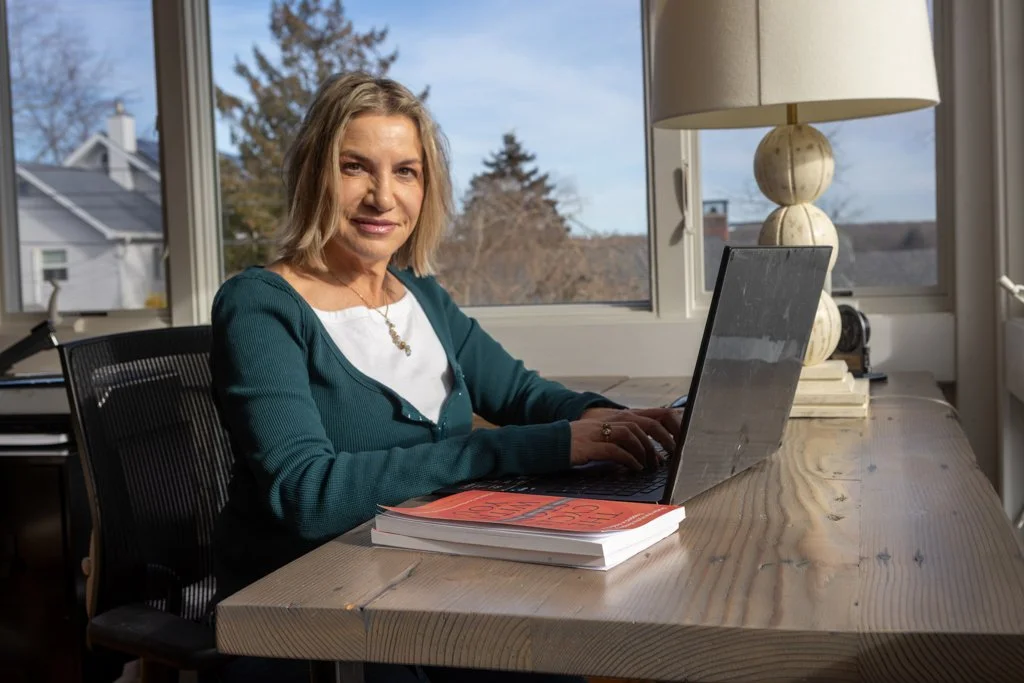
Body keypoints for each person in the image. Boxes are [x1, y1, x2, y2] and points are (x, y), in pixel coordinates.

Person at [208, 72, 682, 683]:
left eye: (405, 171)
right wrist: (527, 446)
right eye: (356, 167)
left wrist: (608, 421)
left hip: (432, 578)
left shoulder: (422, 295)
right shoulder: (260, 305)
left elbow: (521, 394)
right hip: (316, 611)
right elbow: (309, 493)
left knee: (569, 648)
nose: (384, 196)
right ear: (313, 176)